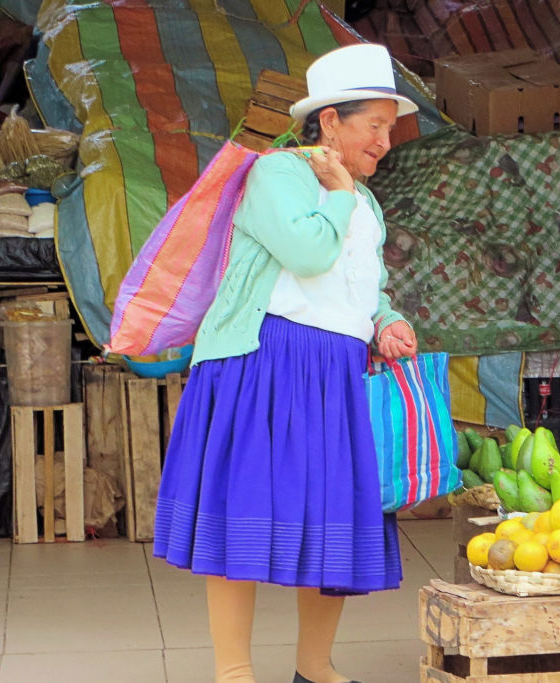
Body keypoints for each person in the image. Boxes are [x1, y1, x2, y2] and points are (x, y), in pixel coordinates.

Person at [152, 43, 418, 683]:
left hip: (334, 373)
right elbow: (304, 253)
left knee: (333, 517)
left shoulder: (364, 201)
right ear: (329, 121)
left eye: (389, 127)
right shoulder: (278, 174)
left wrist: (386, 320)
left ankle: (314, 667)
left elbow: (361, 281)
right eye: (373, 125)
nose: (385, 141)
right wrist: (336, 193)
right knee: (241, 511)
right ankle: (235, 672)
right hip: (264, 363)